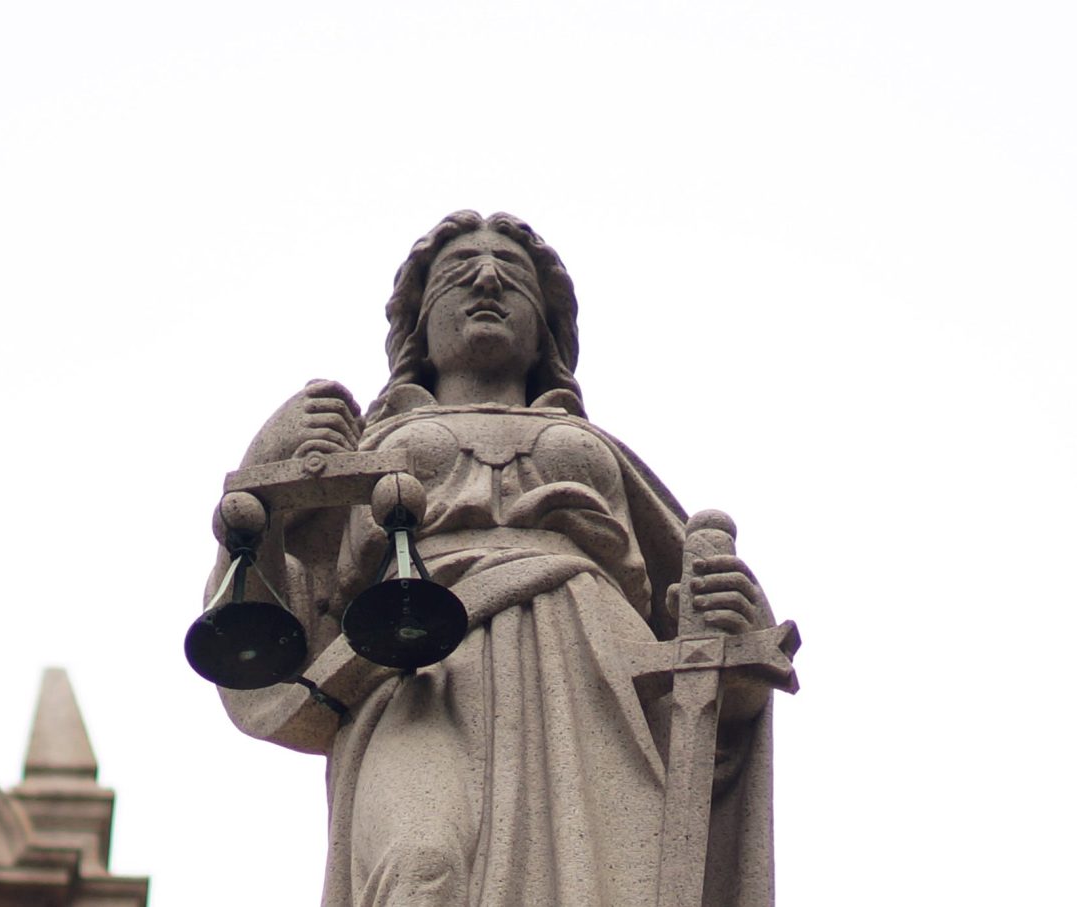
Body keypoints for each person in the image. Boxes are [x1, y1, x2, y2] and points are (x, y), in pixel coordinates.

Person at [211, 212, 780, 906]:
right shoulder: (360, 449)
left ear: (547, 329)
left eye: (513, 276)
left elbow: (706, 658)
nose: (486, 278)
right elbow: (271, 612)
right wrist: (263, 466)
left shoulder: (597, 449)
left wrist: (738, 632)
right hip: (414, 668)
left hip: (592, 672)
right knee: (417, 864)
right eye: (458, 273)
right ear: (418, 326)